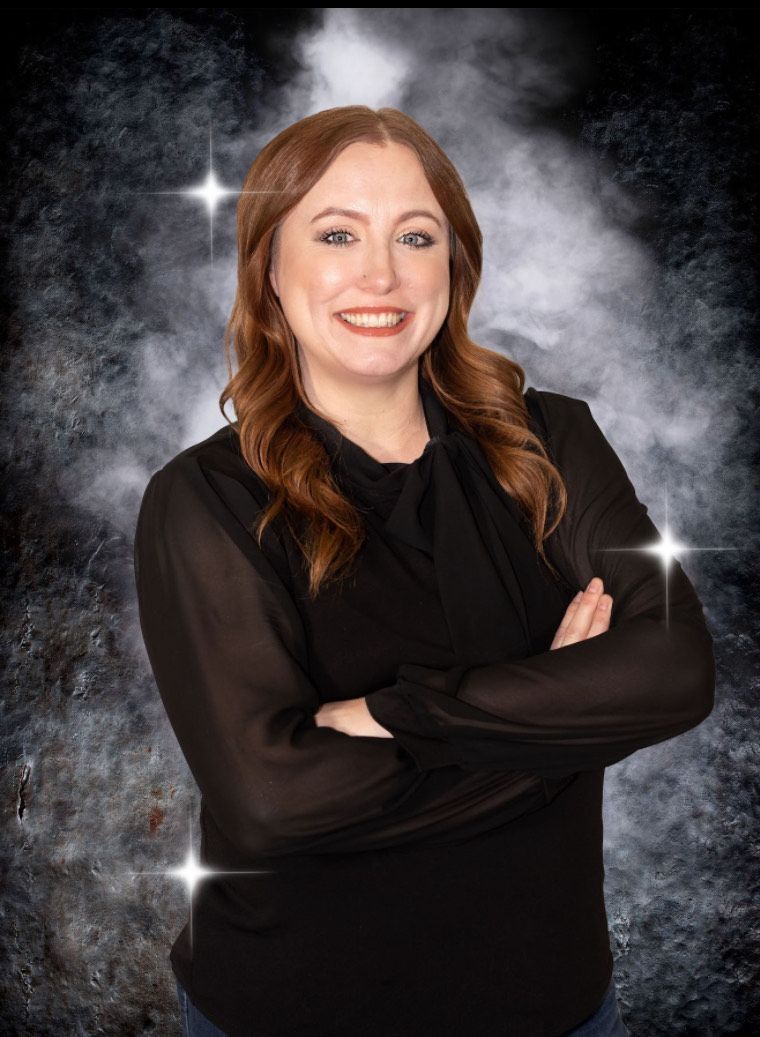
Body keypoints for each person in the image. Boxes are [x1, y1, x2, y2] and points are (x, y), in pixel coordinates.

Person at [133, 106, 715, 1036]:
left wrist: (391, 715)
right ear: (269, 271)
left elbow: (677, 668)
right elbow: (274, 799)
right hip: (292, 1010)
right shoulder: (203, 499)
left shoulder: (553, 438)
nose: (381, 274)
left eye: (416, 235)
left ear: (456, 264)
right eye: (335, 235)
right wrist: (560, 721)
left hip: (555, 1005)